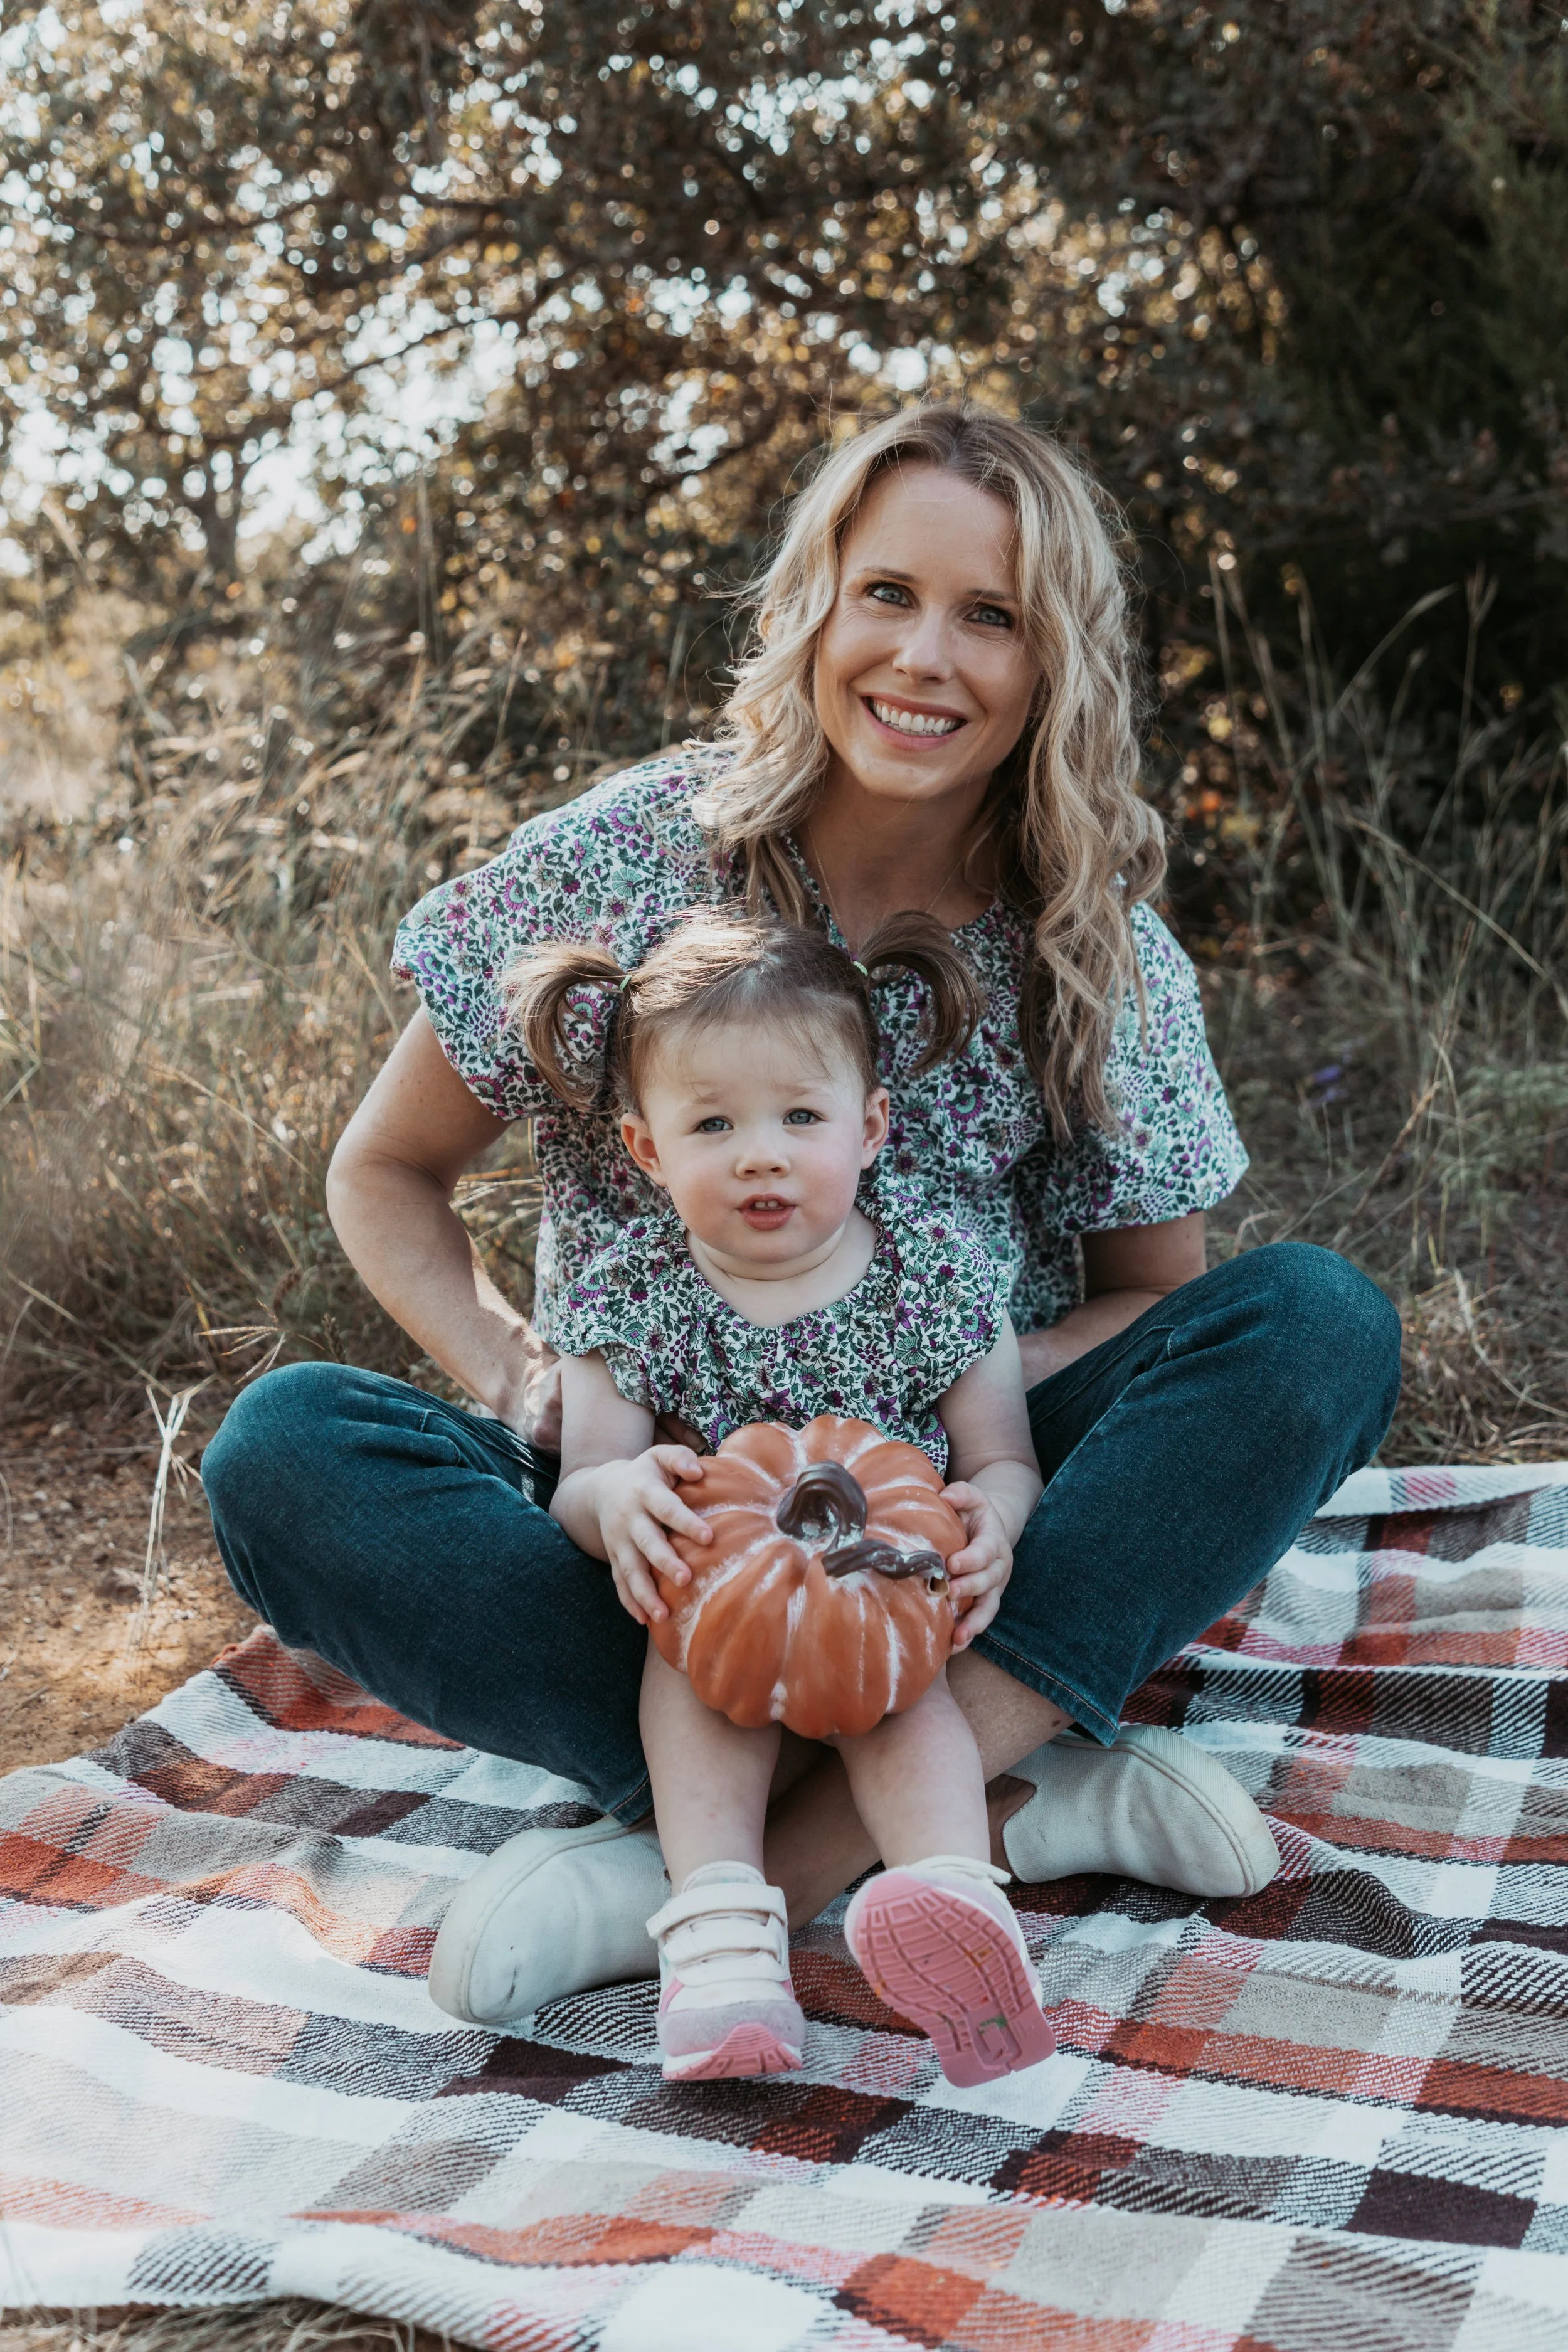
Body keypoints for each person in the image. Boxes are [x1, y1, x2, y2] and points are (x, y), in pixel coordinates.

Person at [201, 399, 1402, 2028]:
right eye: (888, 594)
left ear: (1053, 666)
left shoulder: (1088, 942)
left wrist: (964, 1429)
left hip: (956, 1518)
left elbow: (1155, 1293)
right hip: (670, 1505)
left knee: (1316, 1320)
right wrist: (530, 1387)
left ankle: (728, 1875)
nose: (926, 655)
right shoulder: (623, 858)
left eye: (991, 616)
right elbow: (382, 1170)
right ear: (815, 606)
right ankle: (1013, 1800)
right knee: (285, 1453)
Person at [513, 908, 1052, 2084]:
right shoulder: (632, 1295)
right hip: (719, 1603)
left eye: (799, 1117)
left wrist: (995, 1519)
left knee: (911, 1705)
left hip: (884, 1587)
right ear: (648, 1149)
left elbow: (1003, 1454)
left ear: (868, 1129)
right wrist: (619, 1500)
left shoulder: (934, 1275)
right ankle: (720, 1946)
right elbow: (580, 1482)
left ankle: (959, 1913)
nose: (760, 1152)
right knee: (696, 1681)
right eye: (712, 1123)